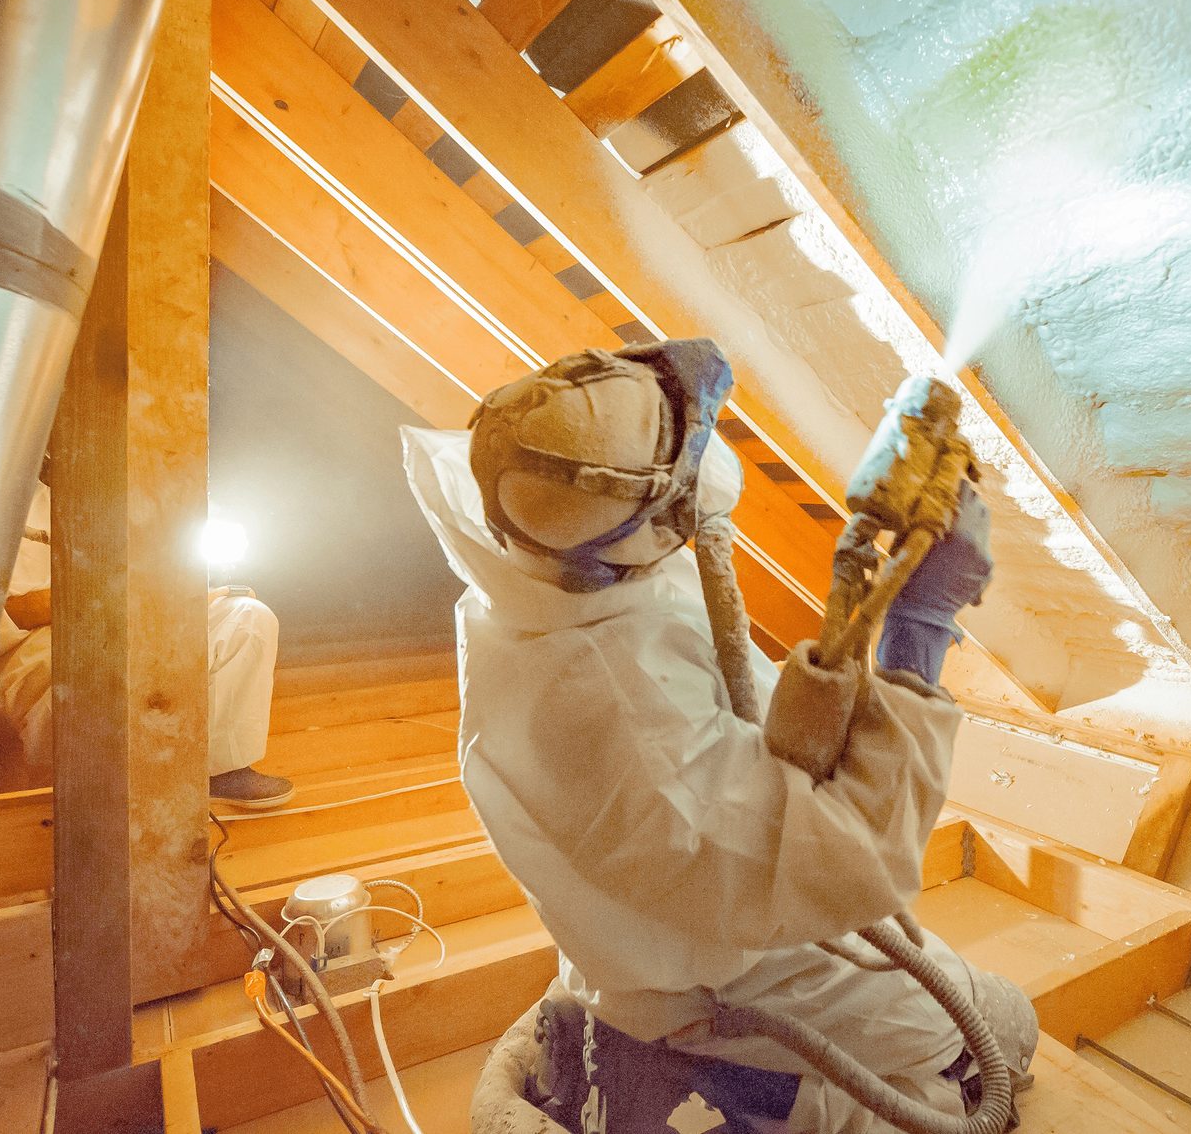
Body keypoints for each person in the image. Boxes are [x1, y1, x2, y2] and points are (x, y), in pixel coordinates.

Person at [402, 341, 1036, 1133]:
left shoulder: (556, 568)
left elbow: (731, 729)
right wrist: (919, 632)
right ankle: (743, 1097)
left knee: (966, 997)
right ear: (653, 517)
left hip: (666, 917)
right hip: (719, 972)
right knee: (998, 1030)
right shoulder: (618, 709)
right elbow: (852, 859)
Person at [0, 477, 294, 809]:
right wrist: (118, 597)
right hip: (37, 645)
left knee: (246, 616)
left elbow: (138, 579)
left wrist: (179, 593)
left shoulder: (83, 493)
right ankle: (103, 794)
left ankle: (220, 770)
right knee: (112, 657)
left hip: (119, 615)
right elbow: (12, 612)